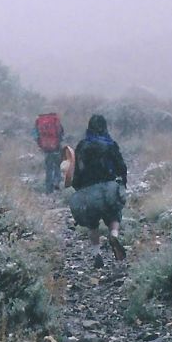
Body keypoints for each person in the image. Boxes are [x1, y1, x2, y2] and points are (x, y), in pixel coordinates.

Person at [70, 114, 128, 268]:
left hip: (88, 192)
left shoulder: (82, 146)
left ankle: (97, 254)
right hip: (108, 188)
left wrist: (79, 190)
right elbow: (121, 167)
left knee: (92, 225)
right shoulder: (110, 144)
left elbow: (74, 173)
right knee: (114, 217)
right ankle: (113, 236)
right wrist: (122, 184)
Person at [34, 113, 65, 193]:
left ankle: (48, 189)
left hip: (46, 147)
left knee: (49, 168)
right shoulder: (55, 119)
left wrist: (41, 145)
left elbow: (35, 134)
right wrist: (59, 142)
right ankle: (57, 183)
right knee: (58, 165)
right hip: (56, 147)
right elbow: (60, 132)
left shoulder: (39, 120)